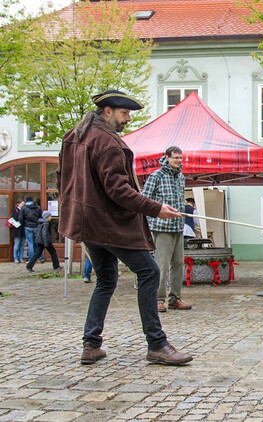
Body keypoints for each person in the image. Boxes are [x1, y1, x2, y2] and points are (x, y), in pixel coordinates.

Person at [57, 89, 192, 366]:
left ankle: (91, 344)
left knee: (106, 279)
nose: (127, 119)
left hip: (88, 223)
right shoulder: (107, 142)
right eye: (124, 113)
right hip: (107, 224)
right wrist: (156, 208)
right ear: (107, 111)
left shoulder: (75, 135)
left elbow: (62, 178)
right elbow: (118, 190)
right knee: (149, 271)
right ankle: (156, 344)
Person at [142, 146, 192, 313]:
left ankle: (174, 298)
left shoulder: (181, 177)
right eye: (175, 157)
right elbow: (145, 201)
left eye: (180, 158)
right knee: (161, 265)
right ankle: (158, 299)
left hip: (178, 227)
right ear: (167, 158)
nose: (178, 160)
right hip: (161, 227)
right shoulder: (156, 176)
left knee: (178, 264)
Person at [18, 195, 45, 263]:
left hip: (28, 227)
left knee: (30, 243)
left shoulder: (23, 208)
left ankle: (31, 259)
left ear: (26, 200)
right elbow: (41, 217)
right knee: (38, 242)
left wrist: (24, 224)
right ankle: (40, 258)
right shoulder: (38, 207)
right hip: (36, 226)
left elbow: (20, 218)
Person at [11, 199, 25, 263]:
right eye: (22, 204)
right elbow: (16, 218)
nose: (23, 205)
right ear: (18, 204)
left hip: (22, 229)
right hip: (16, 230)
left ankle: (21, 257)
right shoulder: (15, 210)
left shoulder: (24, 210)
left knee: (22, 244)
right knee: (17, 244)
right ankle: (16, 258)